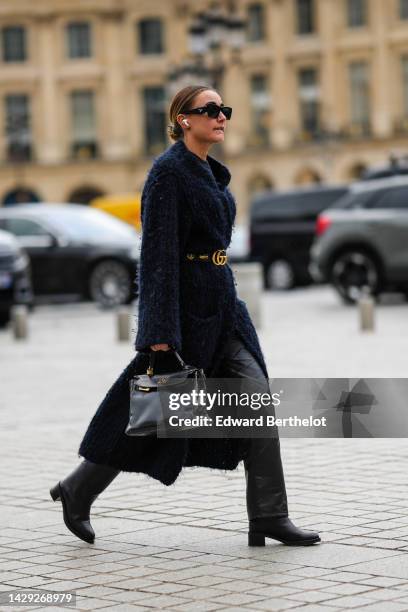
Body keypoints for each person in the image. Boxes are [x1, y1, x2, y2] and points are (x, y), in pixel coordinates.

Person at [50, 85, 321, 547]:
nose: (221, 117)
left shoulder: (210, 172)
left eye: (224, 110)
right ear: (183, 120)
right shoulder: (167, 174)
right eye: (210, 110)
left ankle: (269, 516)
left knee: (256, 404)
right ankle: (78, 488)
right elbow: (157, 255)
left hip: (225, 311)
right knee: (147, 413)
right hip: (185, 316)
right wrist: (158, 332)